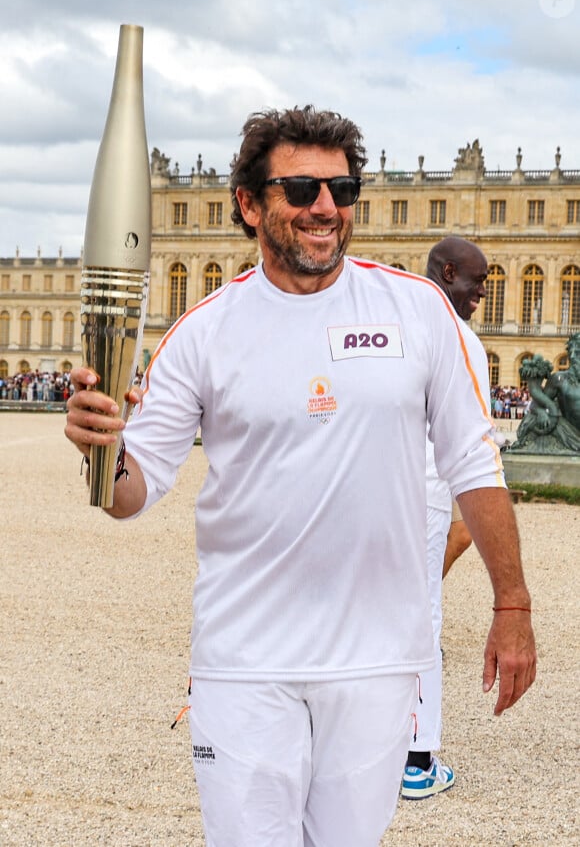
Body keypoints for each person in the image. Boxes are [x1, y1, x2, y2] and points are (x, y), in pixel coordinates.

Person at [65, 106, 536, 846]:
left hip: (378, 657)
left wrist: (513, 606)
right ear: (249, 204)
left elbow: (474, 464)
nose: (326, 209)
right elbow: (133, 490)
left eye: (343, 191)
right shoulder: (203, 333)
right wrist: (102, 448)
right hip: (244, 659)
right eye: (303, 190)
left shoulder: (416, 311)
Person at [402, 236, 494, 800]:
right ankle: (416, 762)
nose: (481, 293)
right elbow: (474, 445)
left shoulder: (399, 326)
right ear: (448, 271)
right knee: (422, 622)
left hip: (380, 493)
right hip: (428, 495)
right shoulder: (462, 340)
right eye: (476, 282)